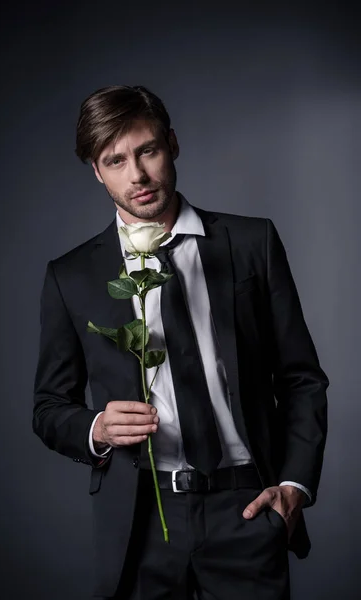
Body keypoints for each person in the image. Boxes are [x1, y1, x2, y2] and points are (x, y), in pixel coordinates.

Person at [33, 85, 329, 600]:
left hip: (246, 507)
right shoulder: (71, 276)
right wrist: (96, 427)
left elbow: (302, 378)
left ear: (171, 143)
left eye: (147, 150)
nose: (138, 176)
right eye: (115, 160)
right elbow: (49, 407)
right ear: (98, 172)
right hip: (140, 520)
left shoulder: (251, 242)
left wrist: (294, 487)